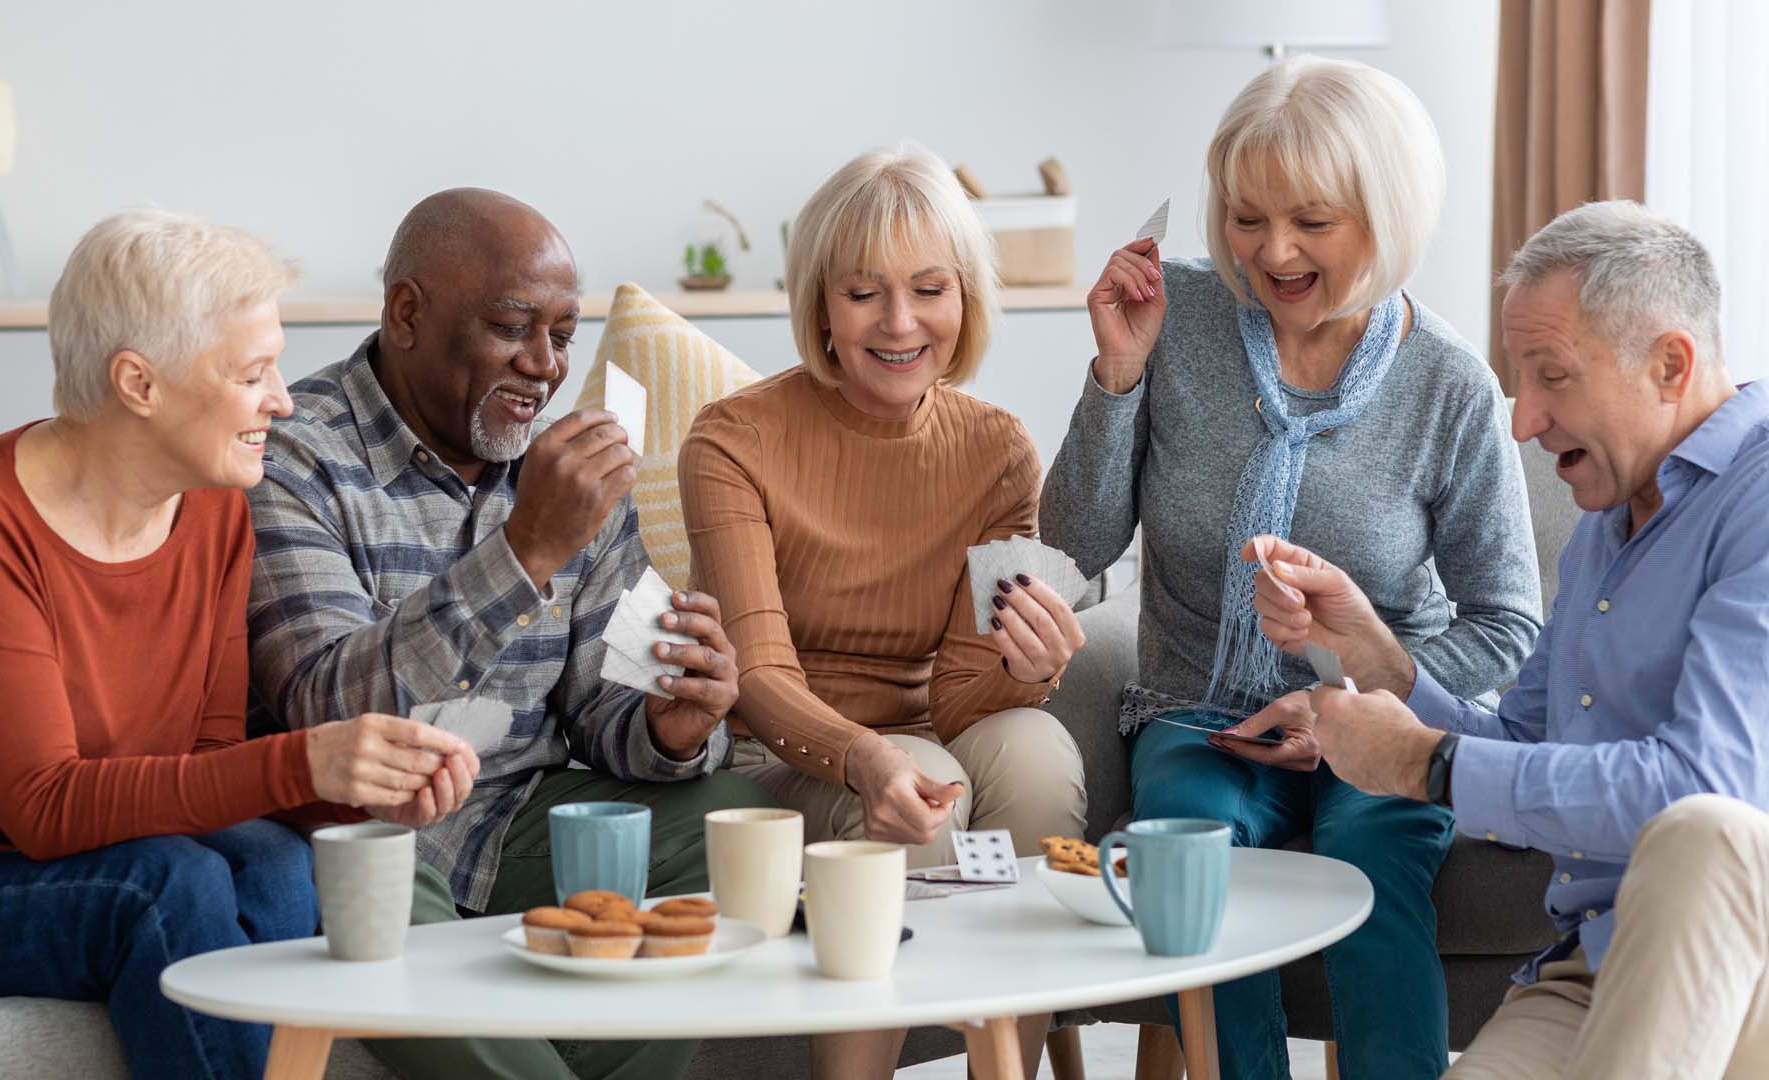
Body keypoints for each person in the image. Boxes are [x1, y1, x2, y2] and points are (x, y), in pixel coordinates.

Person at [0, 210, 477, 1080]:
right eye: (252, 374)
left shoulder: (214, 510)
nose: (284, 400)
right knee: (162, 886)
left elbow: (205, 765)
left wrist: (355, 792)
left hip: (71, 855)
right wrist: (307, 761)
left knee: (275, 865)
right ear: (138, 383)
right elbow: (43, 805)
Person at [1039, 56, 1542, 1080]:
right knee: (1193, 862)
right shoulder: (1173, 319)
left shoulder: (1448, 383)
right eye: (1246, 218)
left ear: (1385, 215)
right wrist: (1118, 374)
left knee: (1373, 867)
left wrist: (1348, 699)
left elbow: (1506, 621)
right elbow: (1074, 549)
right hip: (1198, 713)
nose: (1272, 251)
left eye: (1312, 221)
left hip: (1380, 717)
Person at [247, 187, 774, 1080]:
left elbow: (603, 712)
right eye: (511, 328)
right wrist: (525, 550)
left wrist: (672, 725)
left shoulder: (567, 468)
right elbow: (325, 710)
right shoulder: (295, 457)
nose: (545, 365)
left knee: (733, 819)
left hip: (517, 820)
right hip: (364, 828)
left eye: (564, 335)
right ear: (407, 314)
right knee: (363, 880)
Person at [1255, 200, 1769, 1080]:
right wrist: (1381, 663)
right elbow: (1528, 743)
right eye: (1520, 382)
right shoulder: (1608, 522)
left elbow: (1702, 788)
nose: (1524, 421)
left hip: (1743, 962)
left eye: (1552, 377)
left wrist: (1426, 764)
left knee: (1704, 830)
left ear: (1670, 365)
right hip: (1591, 968)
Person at [679, 144, 1088, 1078]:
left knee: (1037, 751)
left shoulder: (998, 450)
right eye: (864, 293)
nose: (900, 323)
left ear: (965, 298)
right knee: (926, 793)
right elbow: (757, 676)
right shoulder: (734, 442)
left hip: (928, 735)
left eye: (929, 289)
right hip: (778, 754)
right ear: (822, 306)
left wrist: (1026, 670)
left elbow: (961, 696)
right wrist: (867, 758)